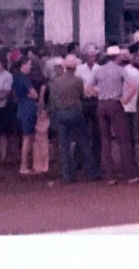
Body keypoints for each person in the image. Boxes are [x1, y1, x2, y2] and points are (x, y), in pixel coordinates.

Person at [49, 54, 101, 183]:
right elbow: (82, 96)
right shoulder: (77, 80)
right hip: (75, 113)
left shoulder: (56, 81)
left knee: (64, 146)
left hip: (61, 114)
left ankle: (67, 175)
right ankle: (92, 172)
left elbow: (53, 100)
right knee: (83, 142)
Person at [94, 45, 139, 185]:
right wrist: (126, 99)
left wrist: (101, 94)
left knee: (105, 140)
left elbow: (90, 88)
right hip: (115, 104)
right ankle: (129, 174)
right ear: (117, 56)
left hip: (102, 104)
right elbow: (133, 87)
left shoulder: (100, 70)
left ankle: (110, 176)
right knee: (123, 139)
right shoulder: (120, 70)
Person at [13, 57, 40, 175]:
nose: (30, 66)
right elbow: (35, 94)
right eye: (29, 64)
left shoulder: (15, 78)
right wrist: (31, 95)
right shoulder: (24, 79)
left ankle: (25, 164)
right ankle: (24, 165)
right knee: (28, 138)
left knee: (26, 138)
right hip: (28, 109)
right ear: (23, 65)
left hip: (21, 107)